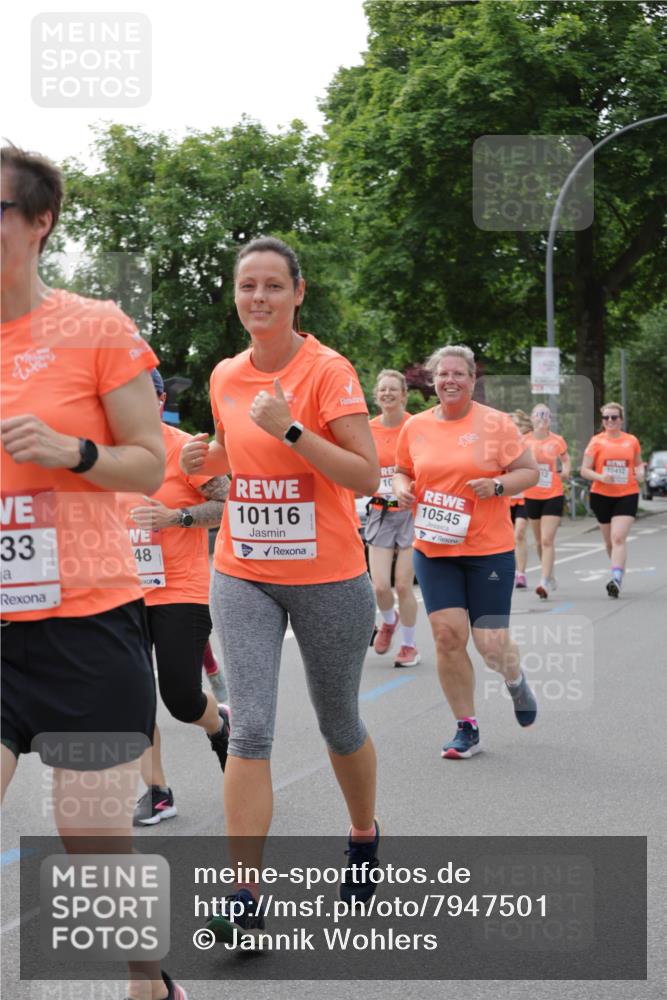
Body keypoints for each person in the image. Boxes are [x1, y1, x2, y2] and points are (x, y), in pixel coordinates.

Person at [0, 145, 186, 1000]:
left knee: (87, 835)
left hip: (86, 618)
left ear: (39, 223)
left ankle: (150, 980)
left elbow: (148, 465)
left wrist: (72, 450)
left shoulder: (96, 328)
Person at [180, 236, 380, 940]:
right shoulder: (225, 375)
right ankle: (243, 893)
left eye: (272, 286)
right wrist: (205, 458)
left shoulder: (327, 371)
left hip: (328, 577)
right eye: (246, 287)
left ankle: (361, 834)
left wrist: (292, 427)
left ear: (298, 293)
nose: (257, 298)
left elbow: (365, 477)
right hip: (242, 572)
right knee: (252, 726)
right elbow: (234, 463)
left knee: (338, 723)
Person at [393, 345, 539, 759]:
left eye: (459, 374)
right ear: (433, 381)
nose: (450, 380)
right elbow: (403, 470)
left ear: (473, 380)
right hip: (434, 549)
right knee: (447, 636)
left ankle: (514, 680)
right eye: (443, 374)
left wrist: (497, 487)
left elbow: (530, 472)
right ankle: (466, 726)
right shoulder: (416, 427)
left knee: (490, 644)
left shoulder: (496, 425)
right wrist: (402, 488)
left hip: (488, 550)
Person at [129, 368, 230, 826]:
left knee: (182, 699)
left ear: (160, 397)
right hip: (120, 591)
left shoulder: (186, 448)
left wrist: (176, 517)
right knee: (129, 695)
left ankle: (219, 726)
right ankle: (157, 789)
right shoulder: (104, 454)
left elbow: (227, 506)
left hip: (179, 590)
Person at [366, 369, 420, 667]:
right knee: (380, 586)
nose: (387, 394)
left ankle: (410, 646)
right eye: (382, 389)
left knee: (403, 585)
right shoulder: (368, 429)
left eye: (393, 389)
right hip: (380, 511)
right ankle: (389, 621)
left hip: (411, 513)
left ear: (403, 394)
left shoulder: (416, 426)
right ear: (377, 395)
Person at [580, 401, 644, 598]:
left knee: (618, 537)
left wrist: (640, 473)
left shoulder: (631, 441)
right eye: (606, 418)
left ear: (621, 420)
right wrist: (600, 477)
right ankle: (617, 569)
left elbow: (639, 465)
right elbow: (584, 470)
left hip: (627, 493)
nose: (610, 421)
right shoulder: (596, 441)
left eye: (614, 417)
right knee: (609, 542)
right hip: (601, 495)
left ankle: (616, 578)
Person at [522, 405, 571, 599]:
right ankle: (549, 574)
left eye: (546, 415)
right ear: (532, 419)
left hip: (553, 493)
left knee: (547, 539)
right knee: (539, 542)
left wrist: (566, 469)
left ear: (550, 419)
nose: (542, 419)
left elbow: (566, 460)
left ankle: (543, 582)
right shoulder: (525, 440)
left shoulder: (557, 440)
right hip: (532, 495)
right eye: (538, 415)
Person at [509, 409, 532, 588]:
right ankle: (509, 570)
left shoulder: (529, 443)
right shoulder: (501, 444)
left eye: (517, 424)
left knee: (519, 534)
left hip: (525, 496)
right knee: (508, 538)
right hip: (506, 498)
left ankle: (521, 573)